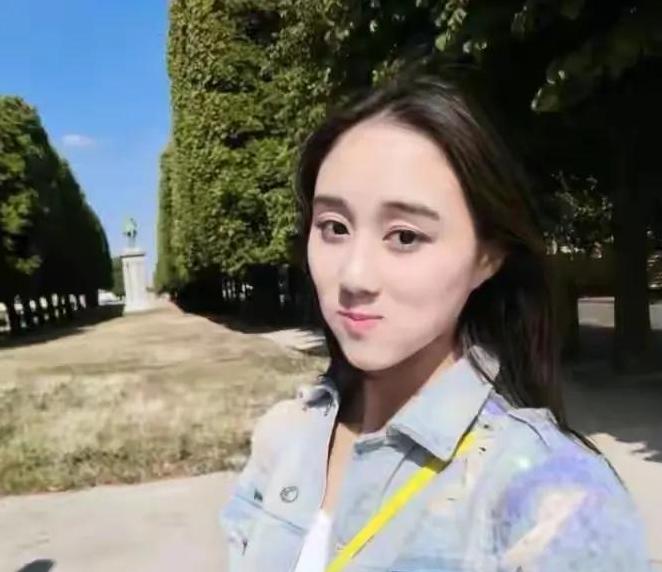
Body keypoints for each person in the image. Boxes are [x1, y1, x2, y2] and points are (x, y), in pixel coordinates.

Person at [219, 75, 651, 571]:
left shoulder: (554, 500)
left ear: (487, 257)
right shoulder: (286, 437)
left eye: (405, 236)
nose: (354, 275)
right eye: (334, 228)